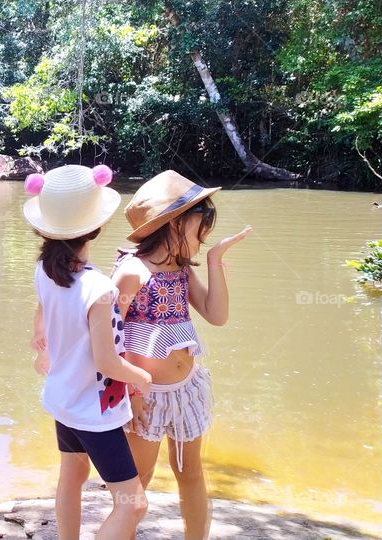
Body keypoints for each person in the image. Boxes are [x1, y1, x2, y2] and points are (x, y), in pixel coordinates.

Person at [110, 170, 251, 539]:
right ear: (174, 223)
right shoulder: (131, 271)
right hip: (145, 396)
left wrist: (216, 260)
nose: (204, 238)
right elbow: (107, 335)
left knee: (190, 472)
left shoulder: (181, 270)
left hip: (187, 390)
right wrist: (128, 391)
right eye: (201, 228)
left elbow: (216, 315)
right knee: (138, 481)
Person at [25, 164, 152, 540]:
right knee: (134, 504)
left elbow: (43, 313)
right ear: (96, 226)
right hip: (94, 411)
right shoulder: (99, 288)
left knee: (72, 476)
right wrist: (142, 376)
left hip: (63, 399)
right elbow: (106, 362)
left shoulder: (44, 270)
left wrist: (41, 341)